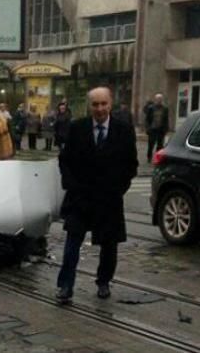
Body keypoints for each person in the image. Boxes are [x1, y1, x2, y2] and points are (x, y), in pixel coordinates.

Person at [56, 87, 138, 304]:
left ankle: (103, 281)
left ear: (110, 104)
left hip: (109, 198)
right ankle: (65, 285)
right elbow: (65, 160)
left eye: (103, 104)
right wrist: (71, 184)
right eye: (95, 104)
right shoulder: (77, 128)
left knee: (109, 244)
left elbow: (131, 164)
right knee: (72, 241)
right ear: (89, 106)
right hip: (80, 196)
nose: (99, 109)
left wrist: (119, 188)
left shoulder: (123, 130)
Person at [144, 93, 170, 162]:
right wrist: (147, 128)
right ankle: (149, 157)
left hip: (160, 130)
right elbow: (147, 119)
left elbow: (166, 119)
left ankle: (157, 159)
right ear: (155, 100)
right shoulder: (151, 108)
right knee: (151, 145)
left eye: (160, 99)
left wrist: (166, 129)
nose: (159, 100)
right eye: (158, 99)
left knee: (160, 145)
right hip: (152, 129)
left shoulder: (165, 108)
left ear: (162, 100)